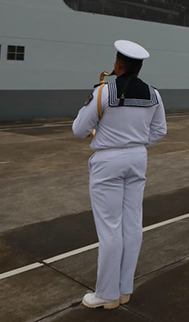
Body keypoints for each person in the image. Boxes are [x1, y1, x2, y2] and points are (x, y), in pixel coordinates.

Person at [72, 40, 167, 309]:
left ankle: (107, 293)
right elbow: (160, 131)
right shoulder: (154, 94)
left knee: (110, 228)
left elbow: (79, 129)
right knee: (132, 225)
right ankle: (124, 289)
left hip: (108, 160)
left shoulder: (104, 92)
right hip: (138, 158)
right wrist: (136, 143)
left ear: (118, 64)